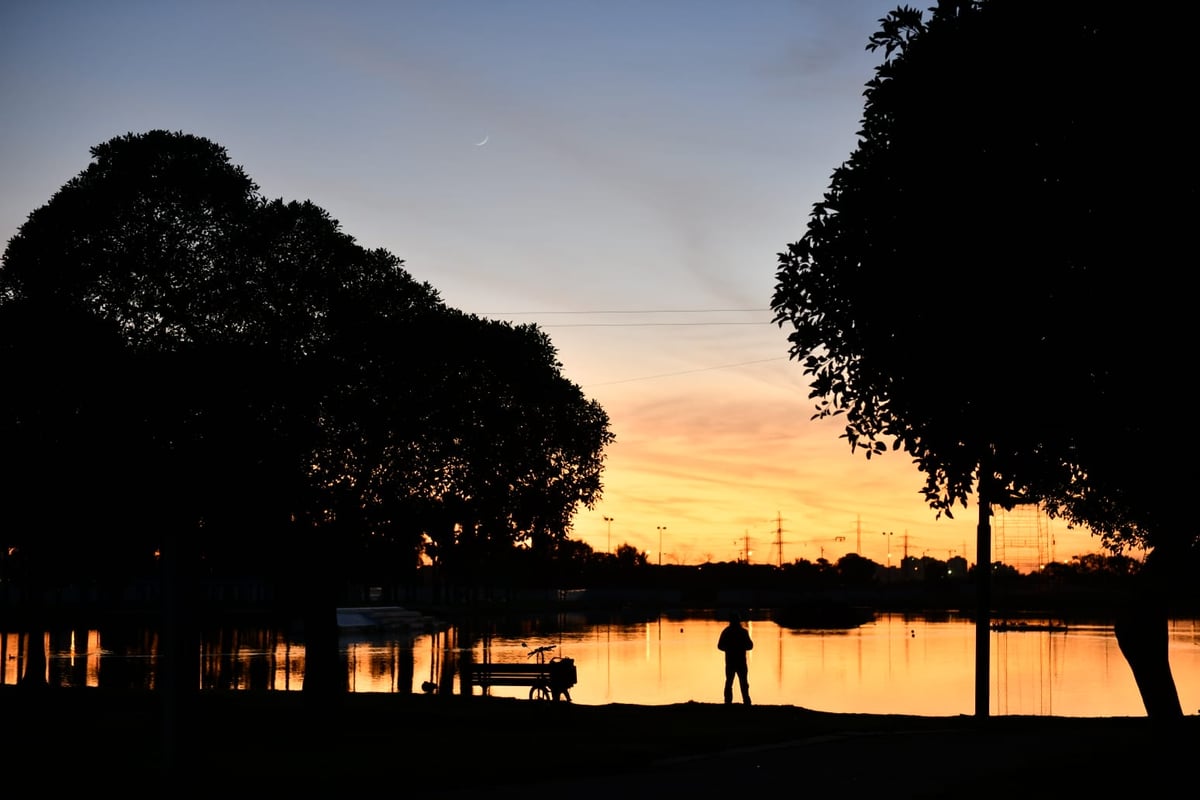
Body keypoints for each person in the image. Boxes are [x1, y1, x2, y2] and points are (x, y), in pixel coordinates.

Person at [717, 612, 753, 705]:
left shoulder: (727, 631)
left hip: (731, 662)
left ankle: (728, 702)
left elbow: (720, 646)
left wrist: (728, 649)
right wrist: (740, 647)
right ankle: (746, 701)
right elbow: (750, 646)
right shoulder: (743, 632)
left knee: (730, 682)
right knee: (742, 682)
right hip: (740, 662)